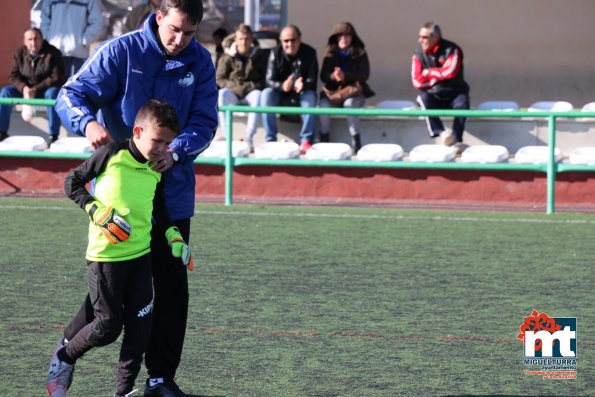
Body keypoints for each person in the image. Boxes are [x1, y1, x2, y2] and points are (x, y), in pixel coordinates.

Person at [54, 1, 218, 396]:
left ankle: (159, 379)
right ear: (159, 17)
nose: (181, 40)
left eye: (190, 33)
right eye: (175, 29)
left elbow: (205, 121)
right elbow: (69, 96)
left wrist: (174, 151)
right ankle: (65, 352)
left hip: (173, 195)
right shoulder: (120, 52)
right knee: (111, 292)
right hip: (122, 201)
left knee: (172, 286)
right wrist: (87, 122)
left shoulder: (200, 62)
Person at [46, 99, 193, 397]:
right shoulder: (112, 153)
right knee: (107, 326)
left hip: (141, 257)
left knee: (139, 331)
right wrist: (95, 210)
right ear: (137, 131)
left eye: (168, 144)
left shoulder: (156, 167)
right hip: (106, 259)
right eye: (158, 141)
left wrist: (173, 235)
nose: (163, 149)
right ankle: (65, 356)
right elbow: (71, 182)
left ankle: (122, 393)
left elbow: (159, 209)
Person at [0, 27, 66, 143]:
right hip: (25, 91)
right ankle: (1, 132)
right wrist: (24, 88)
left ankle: (53, 135)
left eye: (36, 39)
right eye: (30, 39)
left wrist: (36, 88)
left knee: (53, 94)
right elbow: (13, 76)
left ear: (42, 39)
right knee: (5, 93)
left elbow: (57, 77)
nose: (33, 42)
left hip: (45, 90)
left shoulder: (53, 53)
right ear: (24, 41)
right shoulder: (18, 53)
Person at [260, 24, 318, 154]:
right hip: (280, 93)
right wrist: (282, 86)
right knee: (266, 94)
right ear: (281, 41)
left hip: (301, 92)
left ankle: (306, 140)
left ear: (299, 39)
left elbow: (313, 79)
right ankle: (270, 139)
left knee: (310, 97)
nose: (290, 44)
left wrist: (303, 85)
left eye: (293, 40)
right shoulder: (275, 53)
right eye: (286, 41)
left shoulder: (310, 53)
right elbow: (269, 80)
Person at [411, 21, 470, 146]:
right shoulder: (418, 54)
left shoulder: (452, 50)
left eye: (424, 37)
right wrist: (437, 76)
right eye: (419, 37)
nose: (420, 41)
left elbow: (451, 72)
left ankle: (455, 139)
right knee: (422, 98)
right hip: (433, 94)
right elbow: (416, 81)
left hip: (455, 92)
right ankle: (441, 133)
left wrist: (428, 72)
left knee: (463, 103)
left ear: (436, 38)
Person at [319, 22, 375, 153]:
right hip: (333, 94)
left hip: (354, 93)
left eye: (347, 36)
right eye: (341, 36)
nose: (344, 39)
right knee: (323, 105)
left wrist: (346, 76)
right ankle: (324, 139)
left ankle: (356, 142)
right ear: (336, 38)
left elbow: (364, 75)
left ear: (353, 38)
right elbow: (323, 76)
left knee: (349, 105)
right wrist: (334, 76)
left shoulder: (360, 53)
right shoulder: (330, 54)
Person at [216, 24, 268, 151]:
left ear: (251, 40)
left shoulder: (259, 55)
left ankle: (249, 137)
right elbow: (219, 78)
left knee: (258, 96)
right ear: (236, 40)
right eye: (240, 39)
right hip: (233, 91)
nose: (243, 42)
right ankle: (227, 136)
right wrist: (236, 87)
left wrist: (252, 86)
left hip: (251, 92)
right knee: (221, 94)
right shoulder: (228, 56)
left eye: (246, 39)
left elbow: (265, 79)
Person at [40, 0, 105, 77]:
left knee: (75, 86)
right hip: (54, 52)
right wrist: (49, 38)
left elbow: (97, 21)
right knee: (56, 86)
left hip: (78, 56)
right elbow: (44, 20)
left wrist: (84, 41)